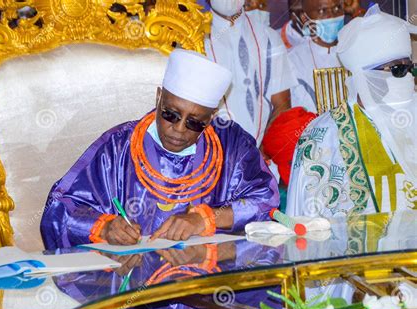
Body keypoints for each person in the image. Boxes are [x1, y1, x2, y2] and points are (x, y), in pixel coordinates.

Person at [40, 49, 279, 250]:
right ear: (158, 98)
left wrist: (204, 219)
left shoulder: (233, 146)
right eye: (170, 114)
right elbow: (59, 208)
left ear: (212, 117)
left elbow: (266, 200)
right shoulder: (118, 147)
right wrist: (104, 227)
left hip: (206, 281)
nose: (179, 129)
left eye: (195, 122)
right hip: (135, 286)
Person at [286, 5, 417, 218]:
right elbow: (310, 224)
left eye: (410, 68)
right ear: (364, 76)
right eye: (397, 70)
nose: (407, 77)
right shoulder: (323, 137)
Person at [204, 0, 297, 146]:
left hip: (258, 155)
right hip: (210, 154)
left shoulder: (269, 37)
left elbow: (282, 106)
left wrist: (260, 153)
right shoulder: (194, 39)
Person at [287, 0, 344, 113]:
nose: (331, 16)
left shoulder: (355, 48)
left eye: (337, 8)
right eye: (322, 11)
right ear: (305, 18)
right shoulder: (291, 60)